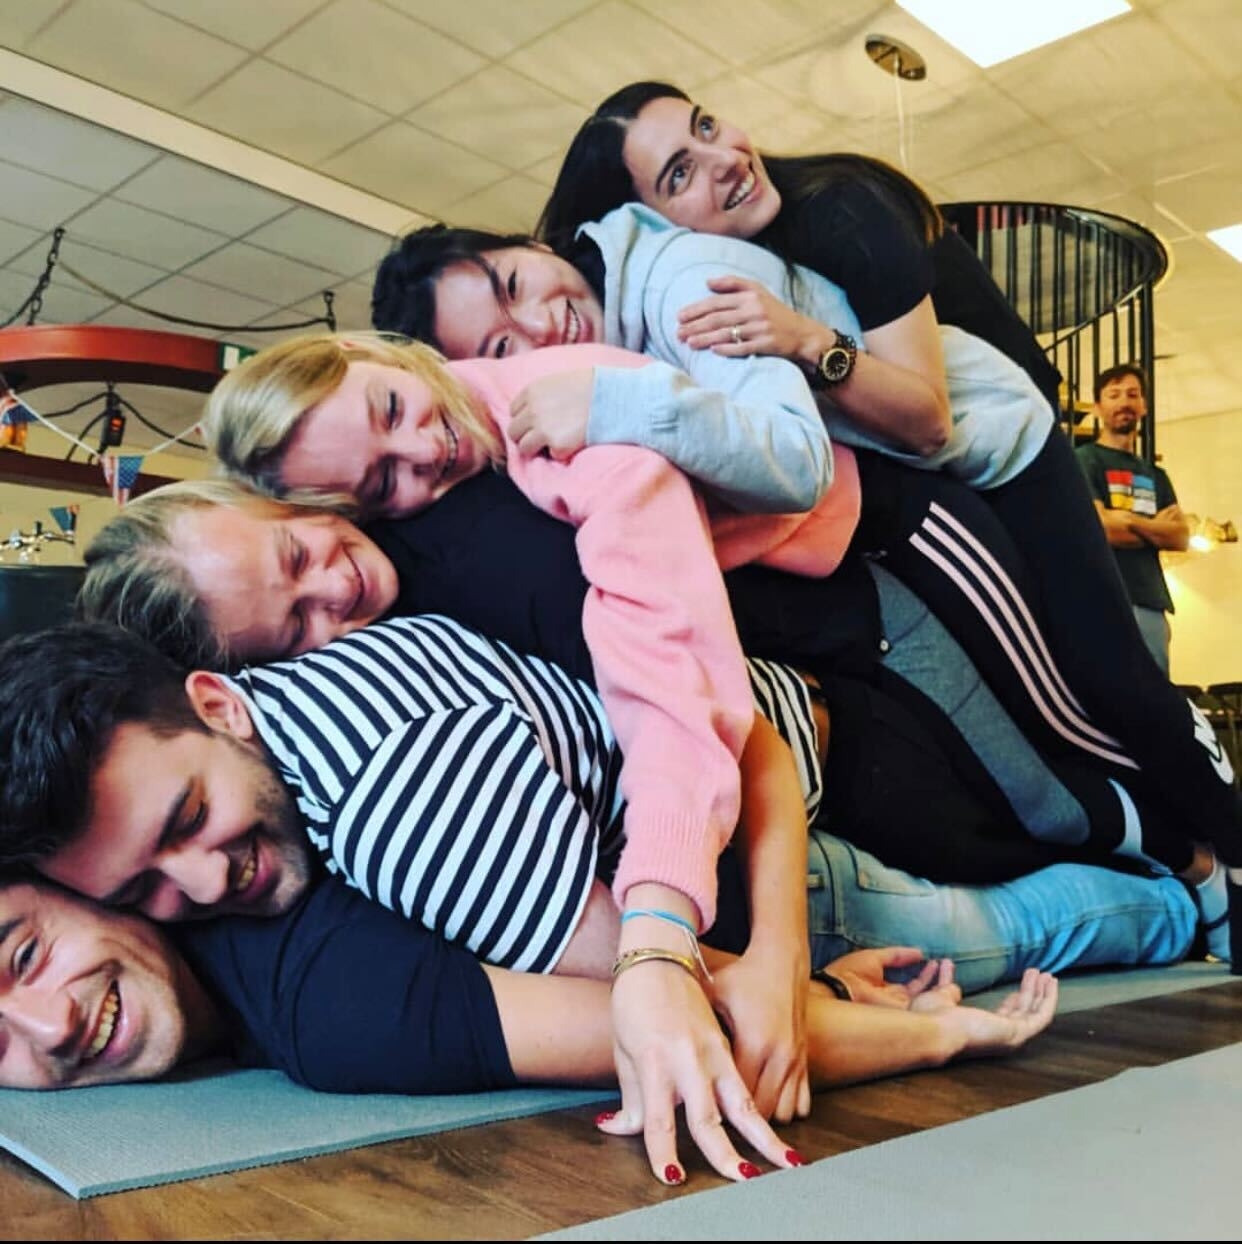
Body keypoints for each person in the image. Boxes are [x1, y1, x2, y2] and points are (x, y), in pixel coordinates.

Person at [363, 219, 1238, 896]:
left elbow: (790, 461)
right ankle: (1191, 868)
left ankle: (1222, 857)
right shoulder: (562, 379)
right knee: (1025, 770)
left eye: (515, 282)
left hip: (933, 491)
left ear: (527, 242)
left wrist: (612, 399)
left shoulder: (669, 291)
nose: (539, 323)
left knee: (1093, 702)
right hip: (852, 566)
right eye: (502, 347)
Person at [517, 79, 1242, 895]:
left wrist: (802, 341)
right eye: (681, 172)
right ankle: (1195, 869)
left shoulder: (842, 213)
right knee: (1046, 701)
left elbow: (930, 420)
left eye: (709, 128)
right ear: (643, 221)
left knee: (1112, 676)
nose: (725, 161)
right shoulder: (687, 280)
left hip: (1002, 440)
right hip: (925, 475)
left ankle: (1234, 852)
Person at [0, 871, 1063, 1125]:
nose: (47, 1029)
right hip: (744, 945)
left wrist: (944, 1039)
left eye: (21, 954)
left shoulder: (328, 1000)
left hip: (797, 886)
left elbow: (691, 1044)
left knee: (1119, 912)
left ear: (69, 871)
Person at [1076, 364, 1188, 675]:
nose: (1124, 401)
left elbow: (1180, 537)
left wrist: (1128, 520)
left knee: (1156, 703)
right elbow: (1102, 529)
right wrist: (1154, 527)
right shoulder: (1085, 460)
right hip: (1103, 599)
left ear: (1144, 406)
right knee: (1106, 696)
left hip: (1151, 600)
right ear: (1098, 407)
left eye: (1132, 394)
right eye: (1114, 395)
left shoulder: (1156, 474)